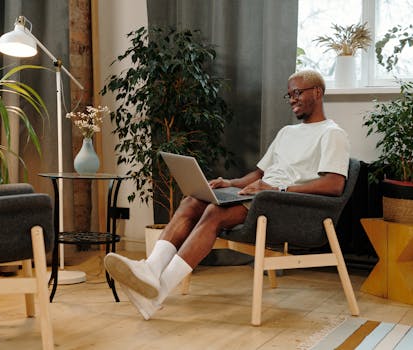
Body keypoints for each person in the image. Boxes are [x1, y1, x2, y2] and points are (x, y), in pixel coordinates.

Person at [104, 69, 350, 320]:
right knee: (194, 200)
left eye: (297, 92)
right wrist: (229, 182)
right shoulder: (287, 132)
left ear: (317, 92)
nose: (292, 99)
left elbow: (333, 185)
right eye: (289, 95)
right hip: (261, 196)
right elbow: (258, 174)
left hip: (284, 205)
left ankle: (157, 293)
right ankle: (151, 269)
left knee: (214, 211)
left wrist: (277, 189)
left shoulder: (332, 133)